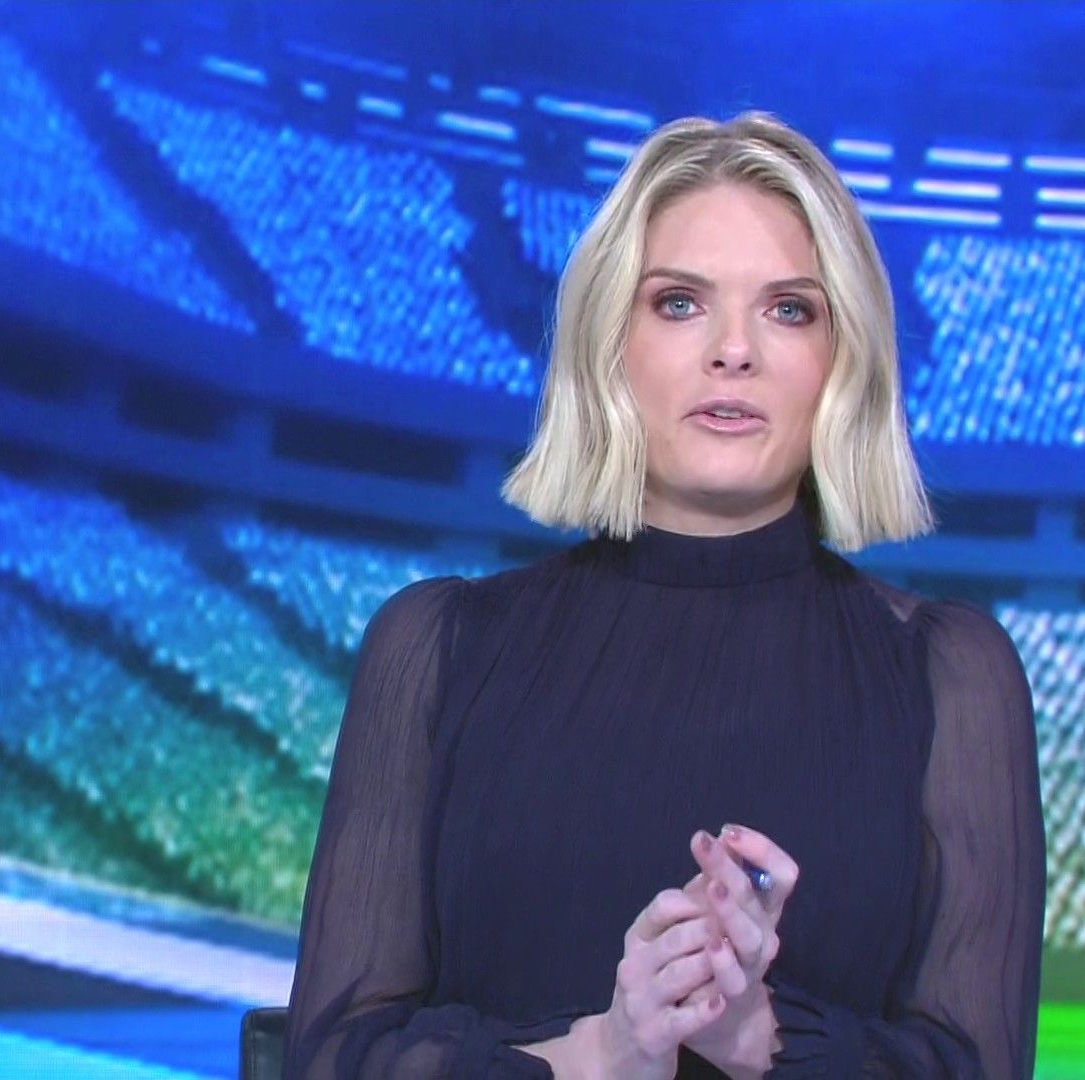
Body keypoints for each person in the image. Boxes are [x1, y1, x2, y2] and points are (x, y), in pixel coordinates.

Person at [281, 110, 1045, 1079]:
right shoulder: (437, 645)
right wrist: (600, 1053)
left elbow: (978, 1064)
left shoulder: (947, 671)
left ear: (844, 360)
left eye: (789, 309)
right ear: (610, 343)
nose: (734, 351)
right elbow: (331, 1056)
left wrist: (758, 1039)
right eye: (680, 303)